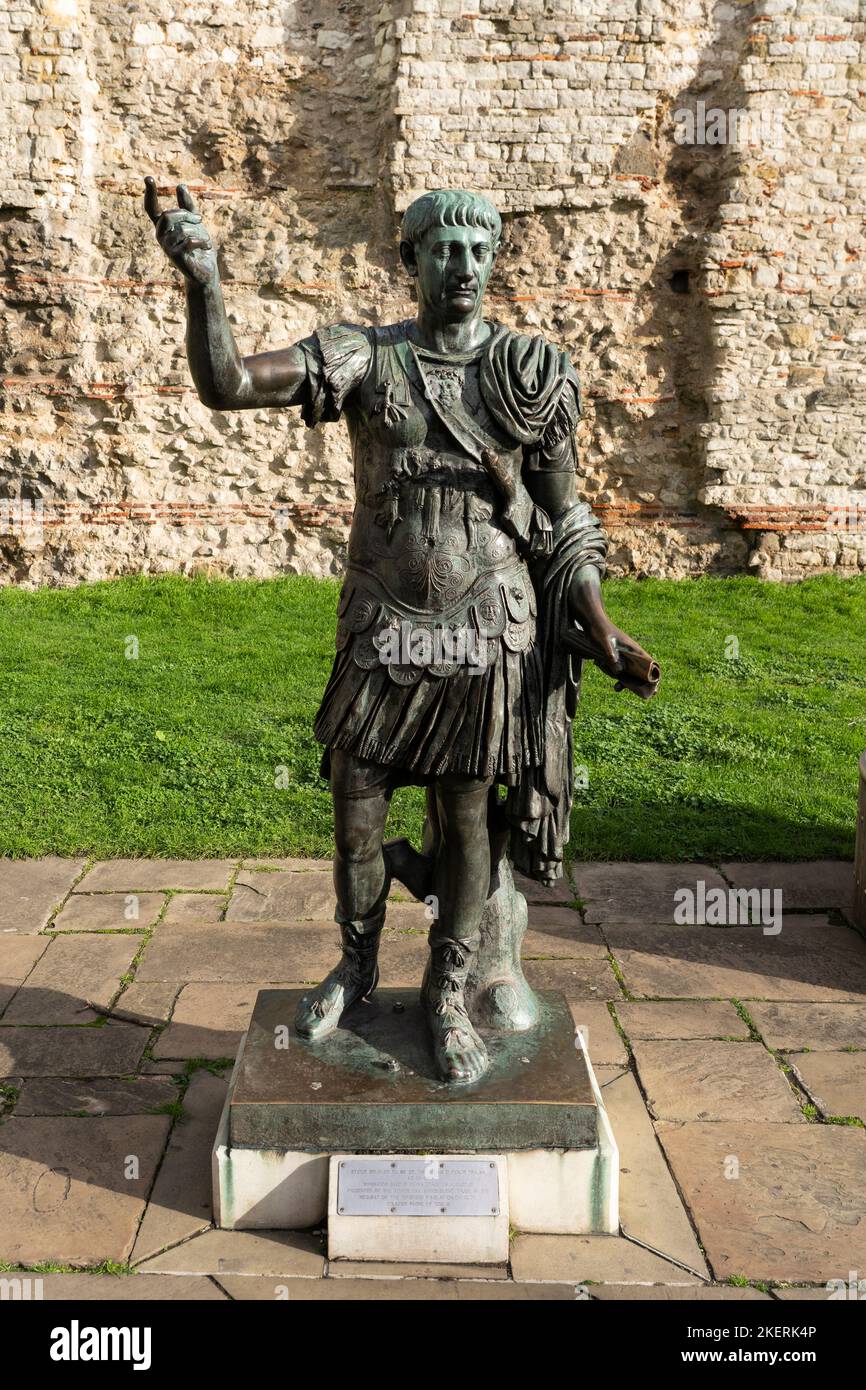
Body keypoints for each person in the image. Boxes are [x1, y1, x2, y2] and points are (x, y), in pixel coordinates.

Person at [144, 179, 658, 1084]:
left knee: (466, 813)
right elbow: (227, 385)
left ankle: (450, 989)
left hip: (487, 625)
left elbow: (566, 522)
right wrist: (204, 281)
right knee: (356, 802)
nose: (461, 266)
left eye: (477, 250)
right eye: (443, 250)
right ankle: (356, 962)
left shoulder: (529, 374)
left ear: (494, 260)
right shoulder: (363, 357)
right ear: (411, 259)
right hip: (383, 621)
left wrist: (601, 626)